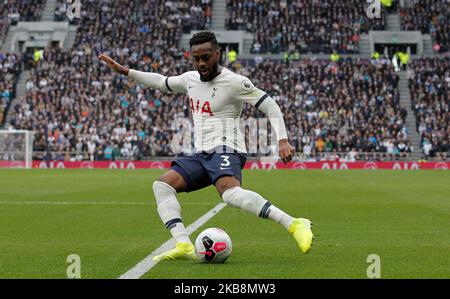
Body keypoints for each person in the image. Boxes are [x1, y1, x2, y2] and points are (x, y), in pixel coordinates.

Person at [98, 31, 313, 261]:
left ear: (218, 54)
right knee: (162, 186)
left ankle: (294, 224)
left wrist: (282, 139)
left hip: (227, 148)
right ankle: (183, 244)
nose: (201, 63)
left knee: (230, 195)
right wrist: (126, 71)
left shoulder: (234, 82)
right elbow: (161, 82)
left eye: (206, 57)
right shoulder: (189, 80)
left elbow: (270, 105)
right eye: (196, 58)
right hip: (202, 154)